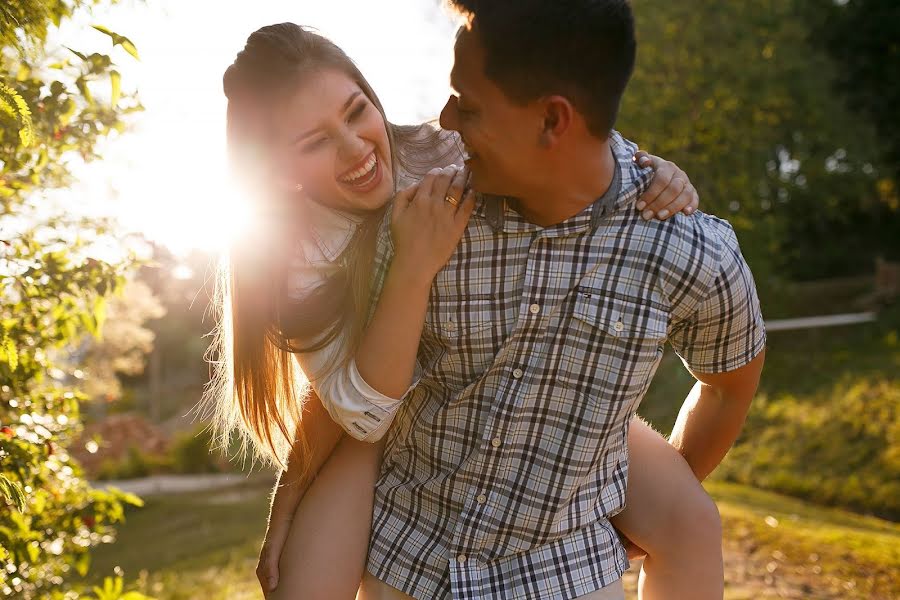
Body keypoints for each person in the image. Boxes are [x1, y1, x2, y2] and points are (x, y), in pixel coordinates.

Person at [203, 15, 743, 600]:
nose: (355, 147)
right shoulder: (291, 256)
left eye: (357, 111)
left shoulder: (433, 150)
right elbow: (356, 410)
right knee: (300, 589)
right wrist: (293, 492)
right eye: (315, 142)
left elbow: (563, 142)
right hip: (375, 416)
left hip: (484, 383)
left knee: (692, 522)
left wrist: (652, 172)